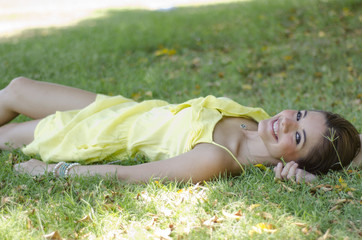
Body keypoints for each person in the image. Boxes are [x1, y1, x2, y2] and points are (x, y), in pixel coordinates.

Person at [2, 77, 361, 183]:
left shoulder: (215, 158)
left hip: (95, 134)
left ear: (293, 162)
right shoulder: (259, 124)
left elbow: (127, 176)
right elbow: (347, 152)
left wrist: (50, 171)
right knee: (16, 88)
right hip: (120, 108)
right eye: (299, 114)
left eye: (296, 137)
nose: (286, 121)